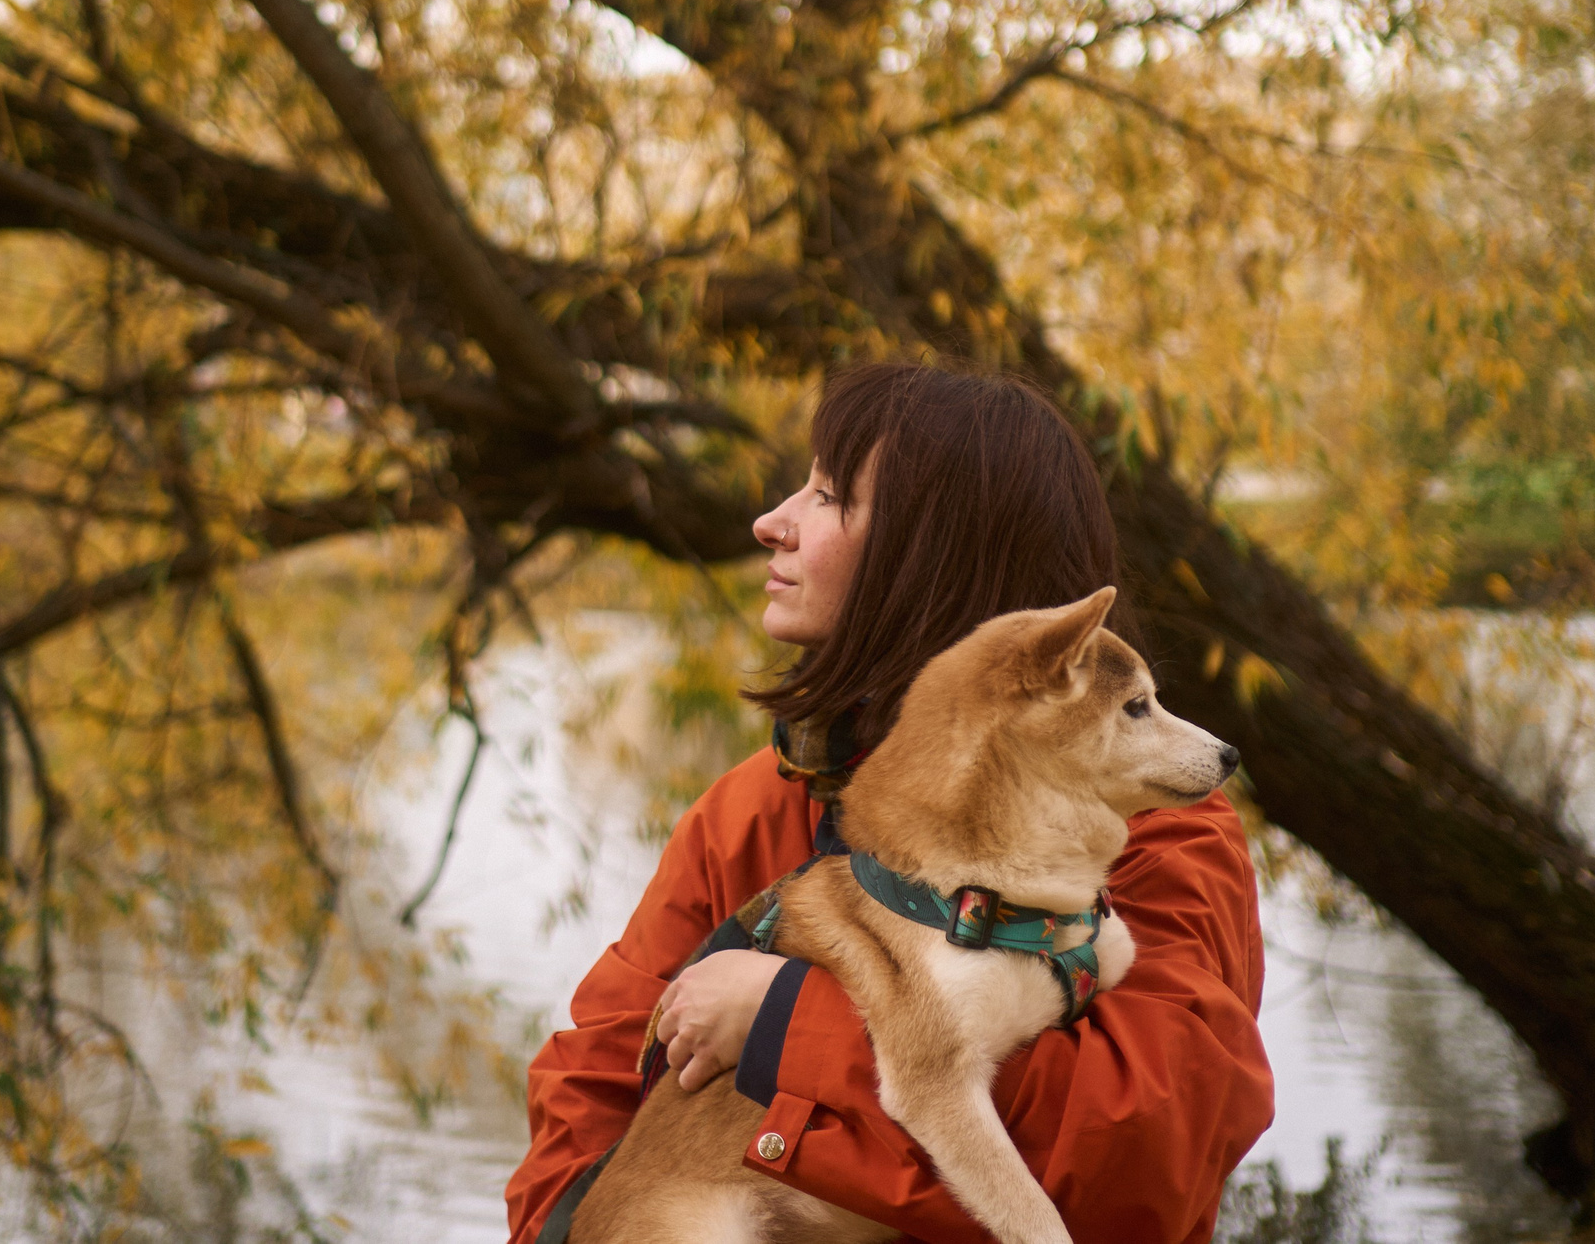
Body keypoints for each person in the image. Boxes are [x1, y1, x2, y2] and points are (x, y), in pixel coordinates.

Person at [504, 361, 1273, 1243]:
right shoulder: (754, 807)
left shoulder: (1156, 831)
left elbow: (1141, 1160)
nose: (772, 521)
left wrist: (791, 1022)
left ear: (936, 557)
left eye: (829, 496)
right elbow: (588, 1102)